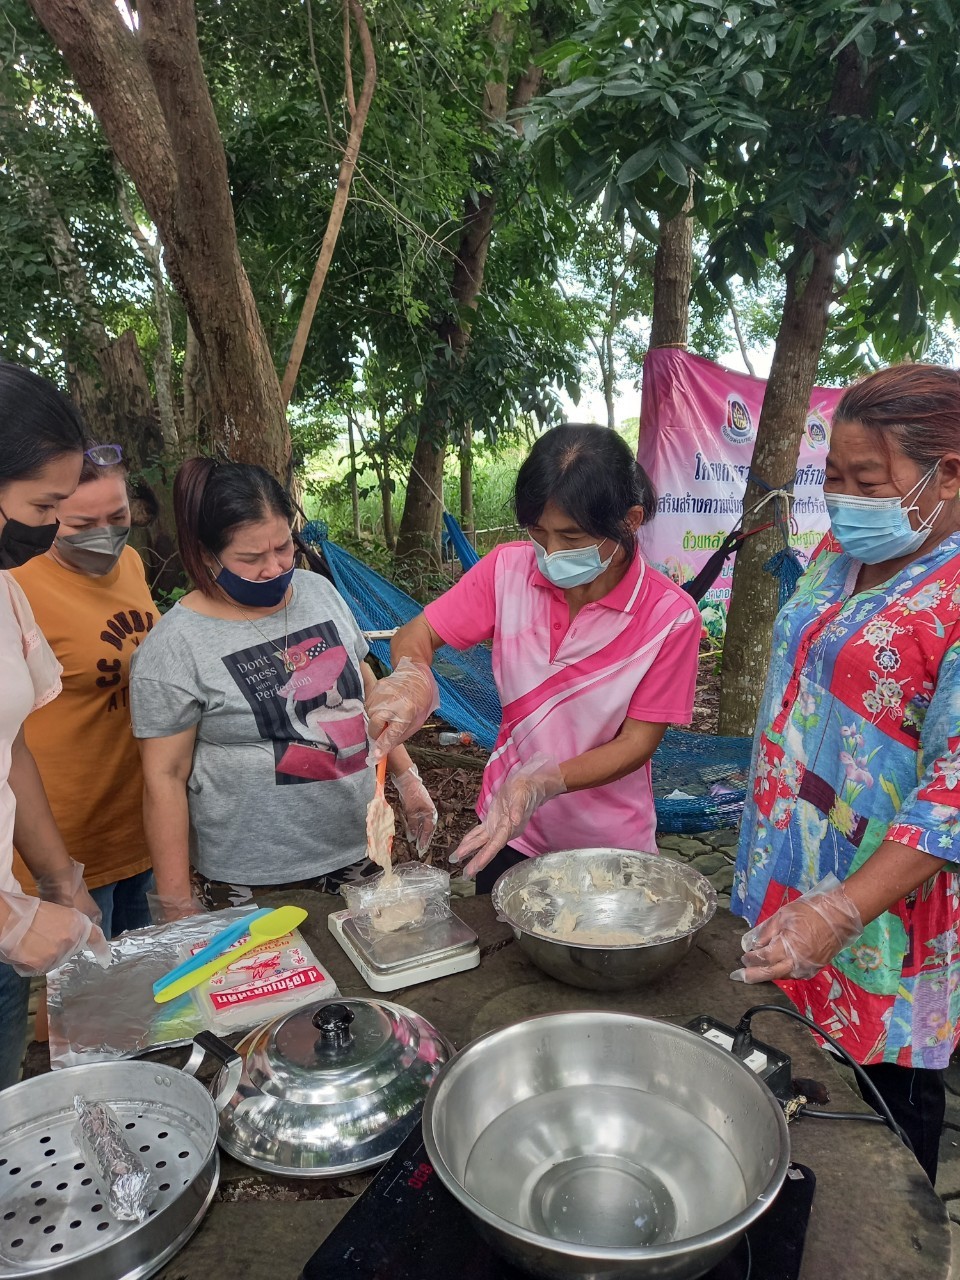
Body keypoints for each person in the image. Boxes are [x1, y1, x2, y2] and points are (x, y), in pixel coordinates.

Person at [732, 363, 960, 1185]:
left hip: (881, 910)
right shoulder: (843, 545)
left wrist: (842, 908)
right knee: (791, 1081)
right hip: (788, 865)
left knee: (881, 1120)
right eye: (833, 477)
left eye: (869, 479)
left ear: (951, 473)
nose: (846, 498)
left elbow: (955, 791)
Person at [367, 423, 703, 893]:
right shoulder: (508, 570)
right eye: (538, 532)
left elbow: (637, 743)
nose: (549, 552)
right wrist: (411, 673)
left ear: (629, 519)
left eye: (571, 536)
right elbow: (417, 633)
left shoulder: (669, 617)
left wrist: (546, 781)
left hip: (608, 846)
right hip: (507, 829)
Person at [130, 459, 437, 915]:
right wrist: (177, 901)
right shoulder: (174, 647)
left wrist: (406, 777)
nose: (274, 568)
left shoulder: (318, 591)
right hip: (254, 875)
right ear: (206, 553)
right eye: (251, 559)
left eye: (283, 548)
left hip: (357, 844)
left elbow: (364, 689)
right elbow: (164, 778)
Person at [0, 362, 109, 1088]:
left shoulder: (5, 592)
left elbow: (11, 748)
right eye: (45, 506)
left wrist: (58, 879)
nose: (49, 527)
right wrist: (8, 922)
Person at [11, 443, 157, 936]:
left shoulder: (132, 564)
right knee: (74, 1004)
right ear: (47, 514)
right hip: (59, 843)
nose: (105, 535)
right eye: (79, 526)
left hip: (137, 826)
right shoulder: (18, 584)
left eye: (117, 516)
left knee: (144, 997)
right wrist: (57, 872)